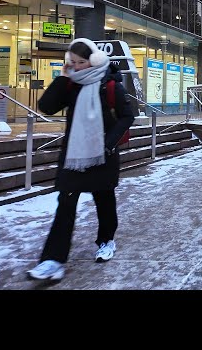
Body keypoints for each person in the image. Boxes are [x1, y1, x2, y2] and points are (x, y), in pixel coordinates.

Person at [27, 38, 135, 282]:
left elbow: (127, 116)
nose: (77, 66)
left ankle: (106, 240)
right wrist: (64, 77)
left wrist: (109, 143)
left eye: (82, 62)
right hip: (74, 156)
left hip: (102, 154)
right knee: (65, 204)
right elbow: (46, 106)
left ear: (94, 60)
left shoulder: (109, 84)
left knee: (104, 200)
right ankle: (53, 259)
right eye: (73, 62)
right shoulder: (71, 84)